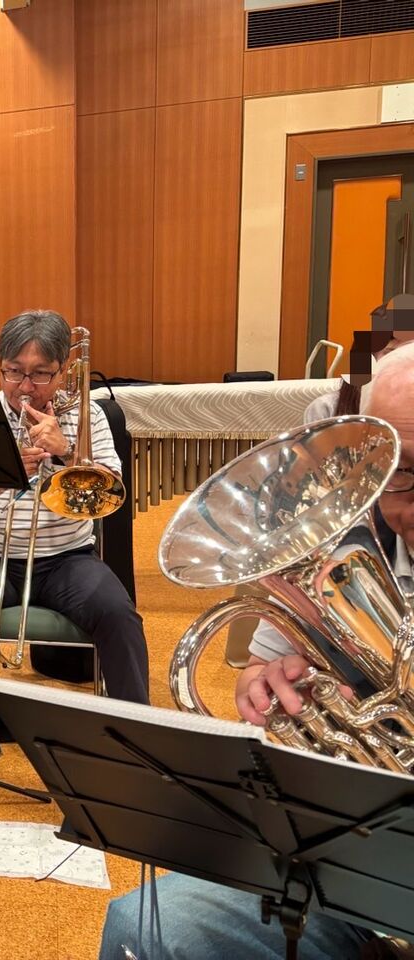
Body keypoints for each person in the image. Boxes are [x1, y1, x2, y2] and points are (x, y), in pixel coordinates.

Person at [97, 350, 414, 960]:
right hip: (347, 849)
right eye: (400, 473)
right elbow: (256, 676)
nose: (408, 499)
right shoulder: (348, 535)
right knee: (146, 926)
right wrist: (269, 684)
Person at [0, 309, 149, 780]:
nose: (25, 387)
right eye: (14, 372)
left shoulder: (88, 416)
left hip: (67, 559)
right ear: (0, 367)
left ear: (62, 372)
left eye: (41, 374)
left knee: (117, 613)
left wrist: (67, 451)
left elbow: (108, 498)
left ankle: (134, 734)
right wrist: (3, 475)